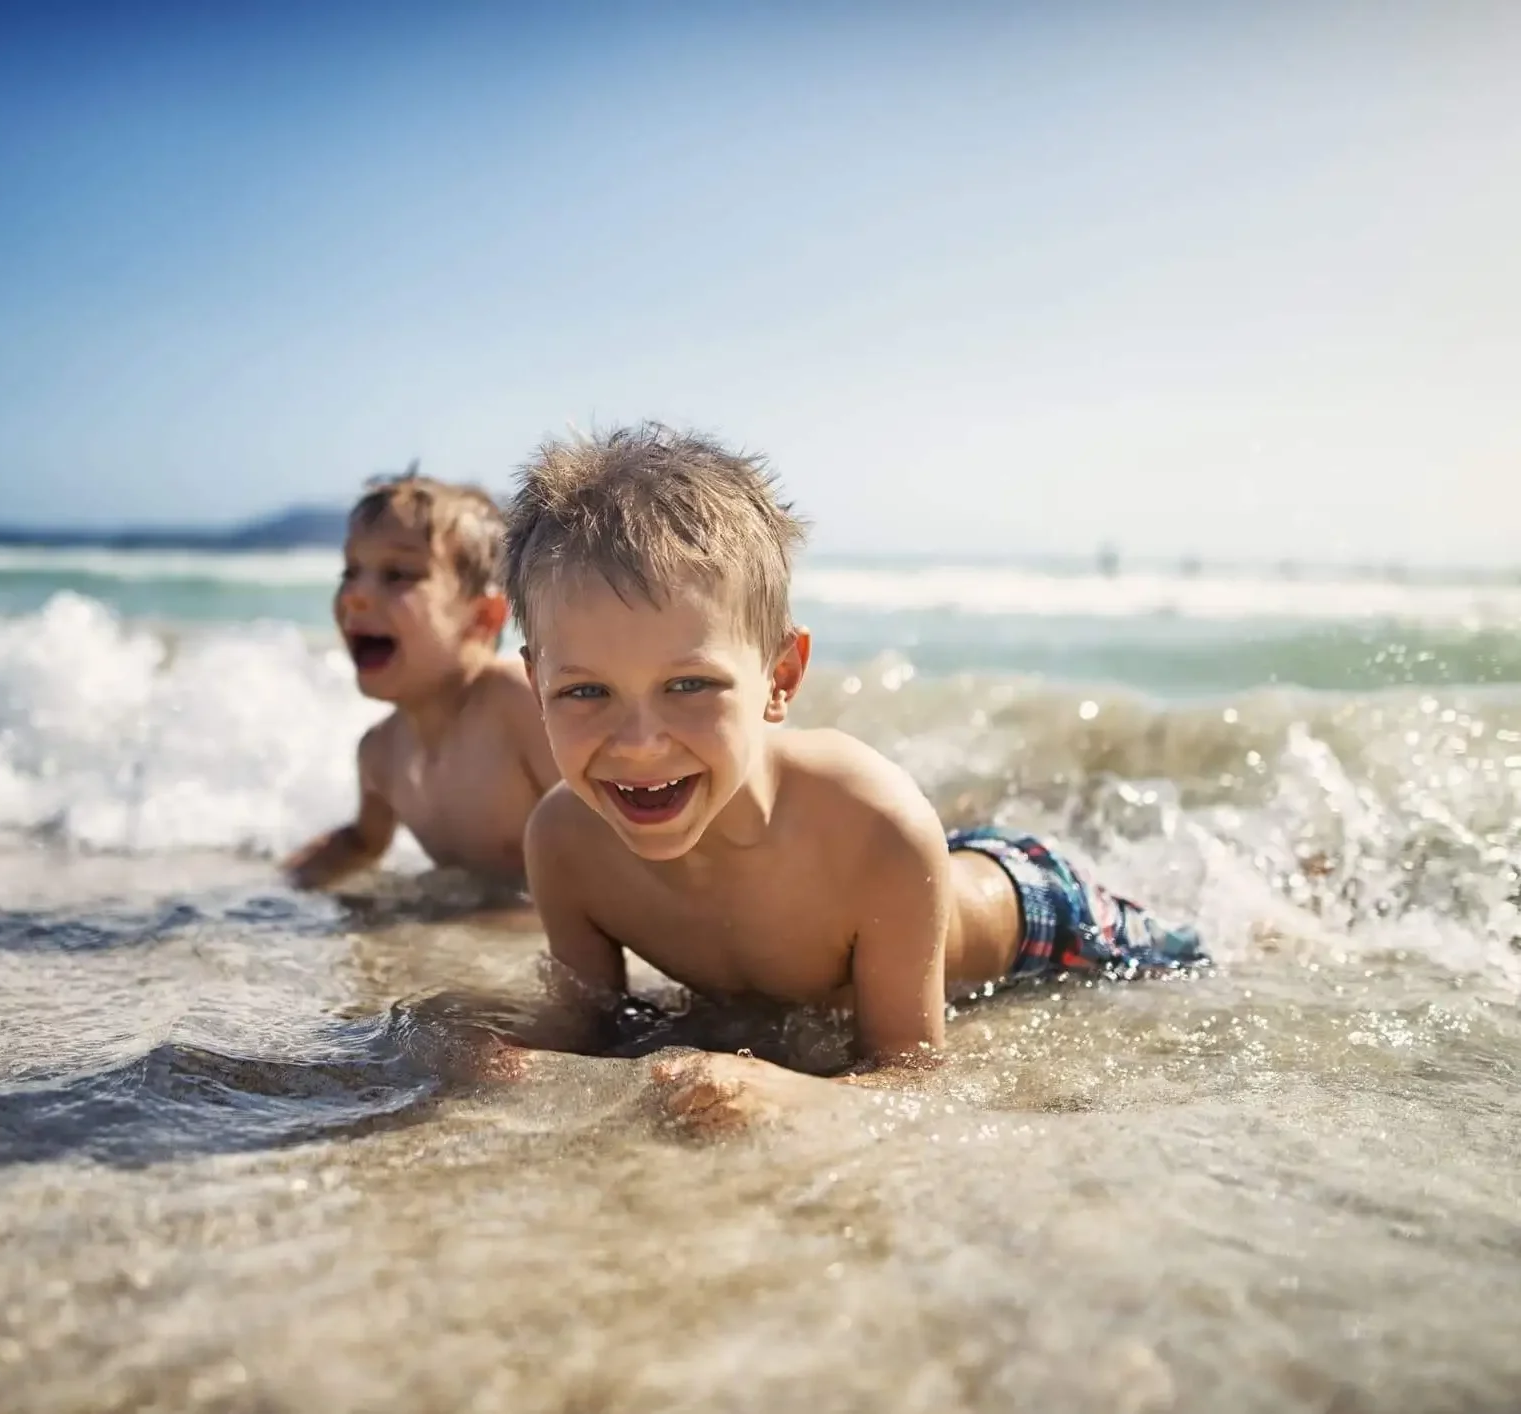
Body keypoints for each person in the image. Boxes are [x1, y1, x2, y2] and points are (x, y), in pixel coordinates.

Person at [500, 424, 1204, 1129]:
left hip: (1044, 918)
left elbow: (914, 1075)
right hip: (903, 892)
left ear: (780, 677)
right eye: (585, 692)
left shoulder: (873, 825)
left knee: (1197, 960)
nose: (640, 744)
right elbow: (588, 1024)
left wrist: (785, 1090)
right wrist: (491, 1051)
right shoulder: (565, 845)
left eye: (688, 685)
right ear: (535, 684)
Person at [284, 468, 558, 891]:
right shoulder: (380, 754)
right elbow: (363, 844)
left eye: (397, 575)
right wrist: (278, 887)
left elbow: (607, 835)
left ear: (482, 617)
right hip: (474, 932)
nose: (356, 594)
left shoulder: (516, 707)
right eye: (350, 572)